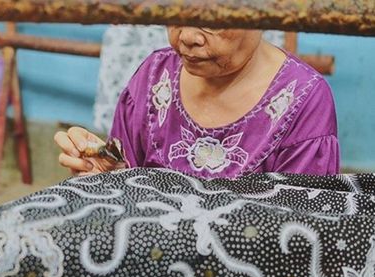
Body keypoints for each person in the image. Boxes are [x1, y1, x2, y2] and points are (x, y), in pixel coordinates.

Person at [54, 27, 340, 178]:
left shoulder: (303, 100)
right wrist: (107, 175)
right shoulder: (154, 78)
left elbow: (301, 234)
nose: (187, 37)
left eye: (212, 17)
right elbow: (125, 191)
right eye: (177, 11)